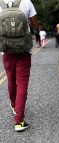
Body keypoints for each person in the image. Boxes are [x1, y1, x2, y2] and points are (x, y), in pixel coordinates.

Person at [0, 0, 39, 131]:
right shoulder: (27, 2)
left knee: (11, 81)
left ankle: (14, 106)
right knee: (22, 84)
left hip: (6, 49)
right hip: (23, 49)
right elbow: (35, 25)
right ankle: (19, 121)